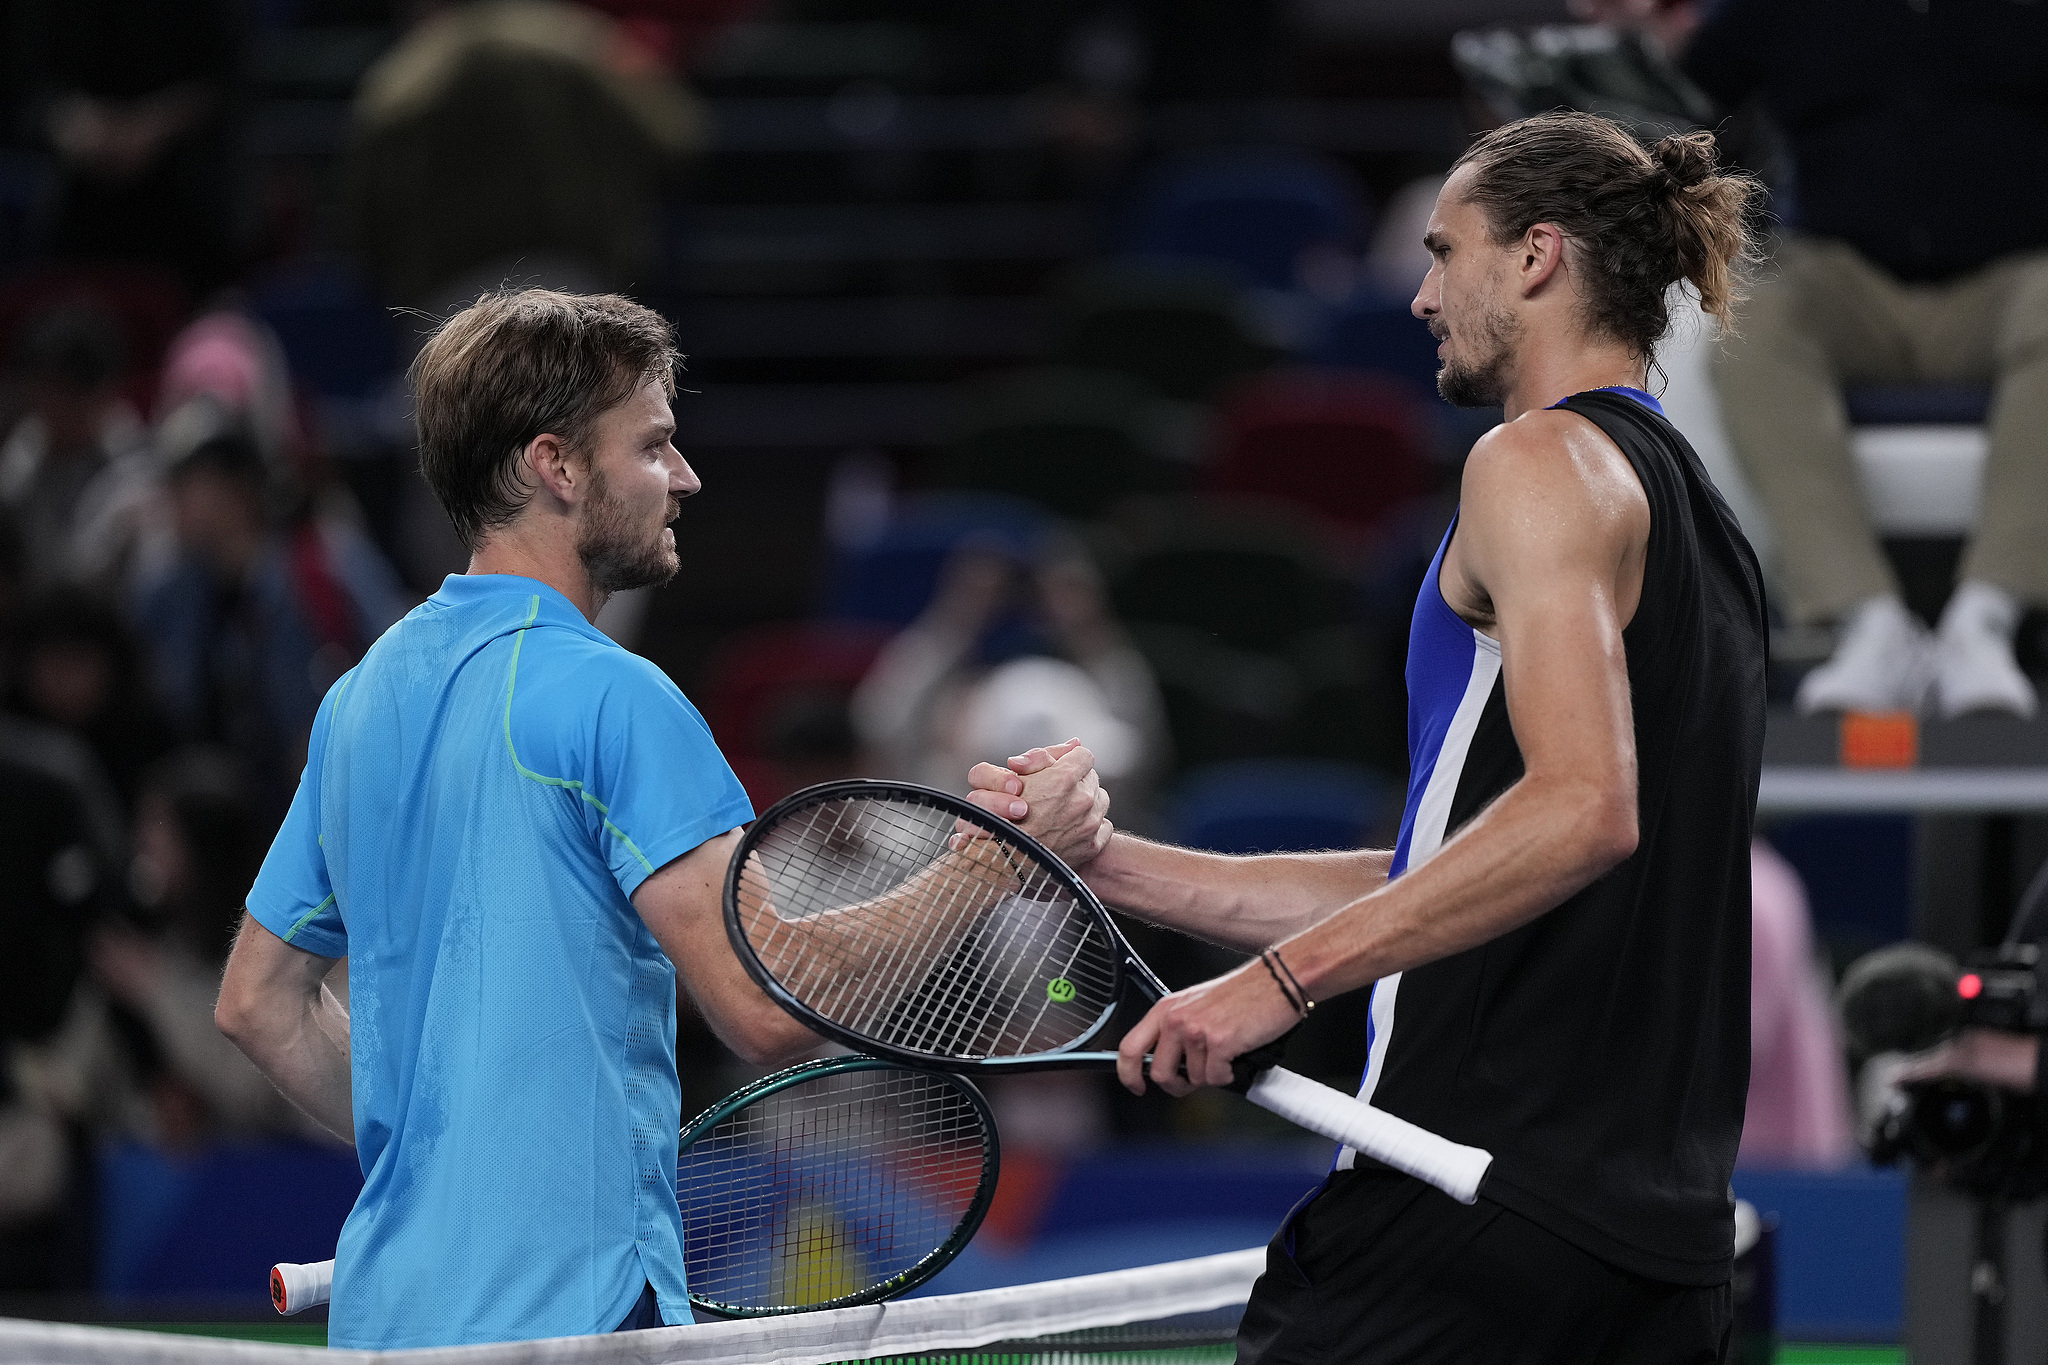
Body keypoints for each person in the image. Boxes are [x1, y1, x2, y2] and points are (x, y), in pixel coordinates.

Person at [971, 112, 1766, 1362]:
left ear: (1536, 256)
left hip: (1465, 1209)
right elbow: (1459, 865)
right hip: (1649, 1252)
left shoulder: (1535, 462)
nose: (1417, 295)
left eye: (1445, 252)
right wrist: (1111, 866)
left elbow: (1578, 811)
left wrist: (1271, 990)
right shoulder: (1701, 526)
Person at [214, 290, 818, 1348]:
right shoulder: (616, 696)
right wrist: (977, 872)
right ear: (557, 465)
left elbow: (258, 1005)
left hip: (387, 1322)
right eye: (655, 445)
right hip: (568, 1324)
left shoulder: (360, 699)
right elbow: (766, 1006)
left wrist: (445, 1165)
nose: (685, 478)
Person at [1581, 0, 2048, 718]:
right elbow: (1674, 109)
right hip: (1844, 277)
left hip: (2015, 276)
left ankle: (1988, 616)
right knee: (1752, 322)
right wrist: (1639, 51)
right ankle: (1862, 618)